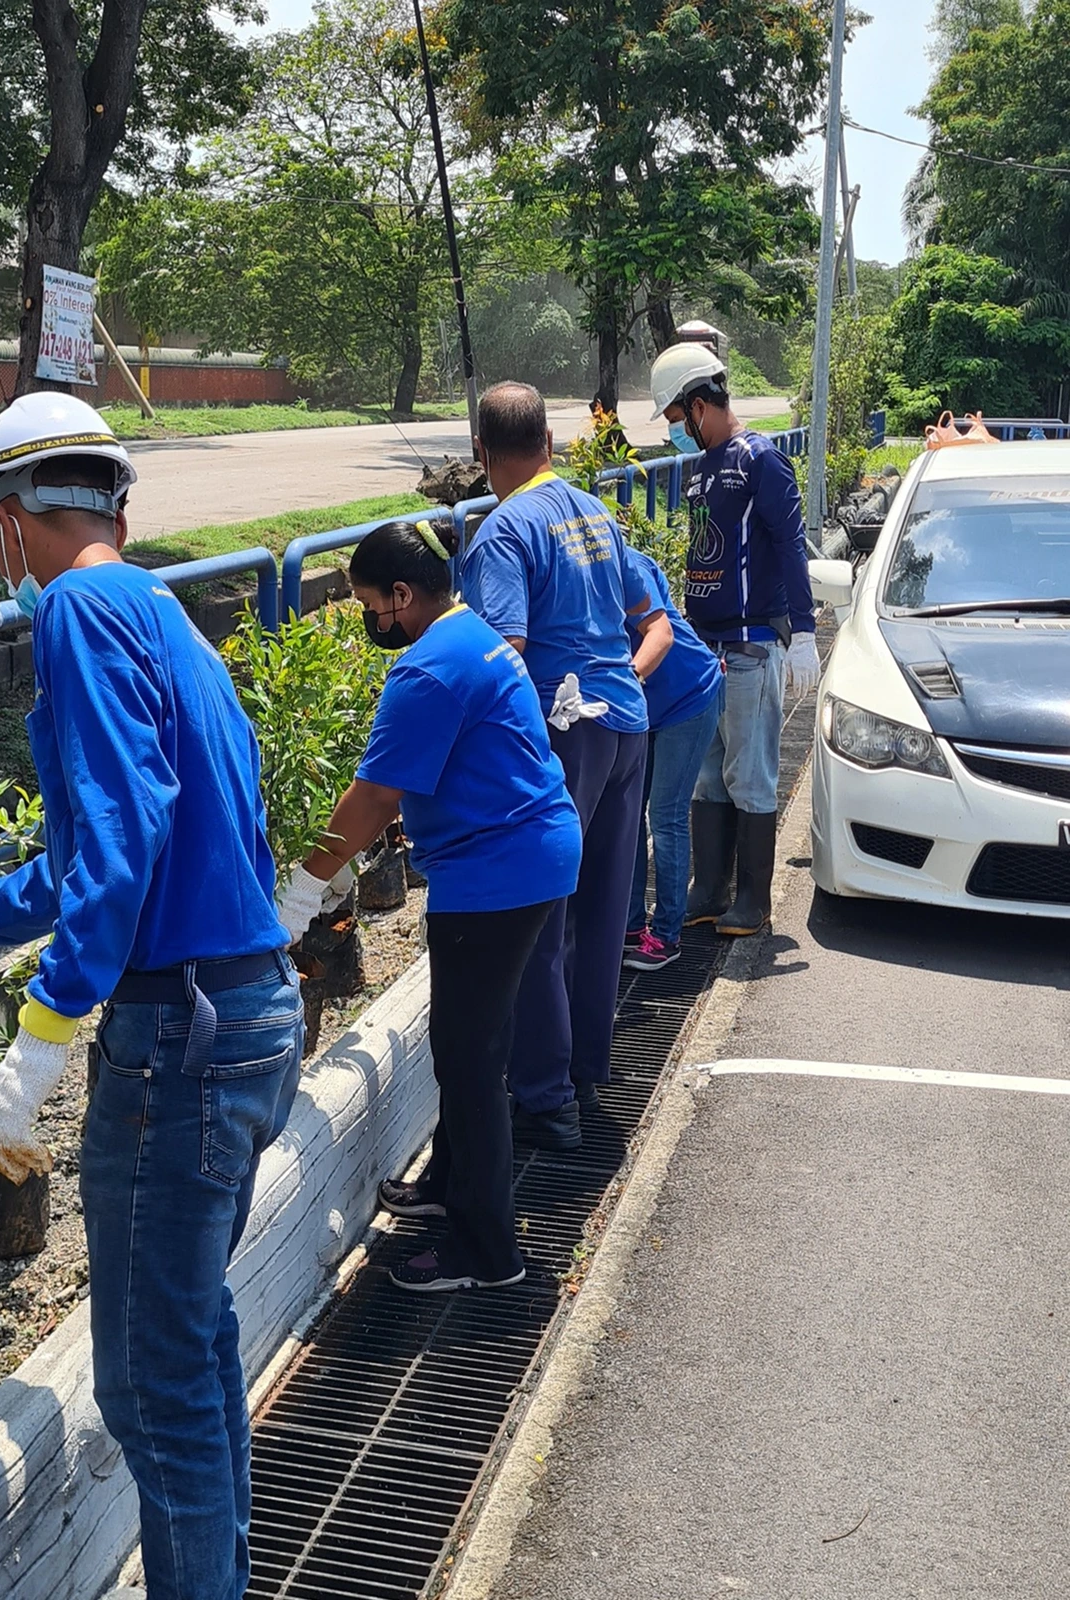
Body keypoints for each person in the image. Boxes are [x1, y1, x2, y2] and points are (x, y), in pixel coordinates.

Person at [0, 393, 300, 1600]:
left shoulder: (74, 609)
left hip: (177, 1036)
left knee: (145, 1383)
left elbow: (117, 857)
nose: (0, 573)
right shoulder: (161, 611)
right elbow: (104, 855)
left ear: (12, 521)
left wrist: (34, 1054)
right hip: (244, 1013)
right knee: (193, 1340)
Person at [277, 518, 582, 1292]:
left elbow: (376, 795)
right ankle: (450, 1184)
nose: (371, 620)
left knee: (469, 1057)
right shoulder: (472, 633)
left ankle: (488, 1254)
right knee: (473, 1039)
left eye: (371, 605)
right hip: (529, 854)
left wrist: (307, 881)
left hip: (496, 877)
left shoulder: (428, 671)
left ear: (403, 595)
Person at [460, 381, 673, 1152]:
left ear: (481, 455)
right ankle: (588, 1068)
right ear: (549, 443)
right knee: (604, 908)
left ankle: (546, 1098)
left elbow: (503, 655)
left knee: (541, 917)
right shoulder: (594, 512)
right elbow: (648, 622)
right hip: (625, 724)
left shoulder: (502, 533)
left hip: (563, 733)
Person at [649, 344, 820, 936]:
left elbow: (793, 545)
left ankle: (755, 898)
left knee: (750, 774)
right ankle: (709, 887)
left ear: (699, 406)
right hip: (707, 649)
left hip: (750, 647)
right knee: (707, 770)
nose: (677, 433)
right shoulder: (701, 467)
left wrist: (803, 632)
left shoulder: (759, 460)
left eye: (676, 421)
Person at [621, 547, 723, 971]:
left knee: (666, 815)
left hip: (688, 696)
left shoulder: (629, 565)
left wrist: (625, 682)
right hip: (644, 705)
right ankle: (629, 926)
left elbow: (659, 635)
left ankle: (667, 934)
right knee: (627, 812)